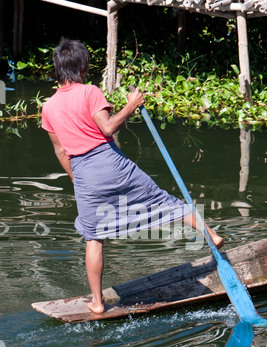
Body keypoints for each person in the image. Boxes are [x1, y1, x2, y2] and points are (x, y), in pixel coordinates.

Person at [42, 38, 223, 318]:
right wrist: (132, 104)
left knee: (93, 237)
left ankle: (98, 303)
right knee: (165, 202)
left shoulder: (48, 107)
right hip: (112, 164)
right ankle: (211, 234)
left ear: (57, 69)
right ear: (83, 67)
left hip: (84, 173)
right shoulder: (89, 92)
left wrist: (75, 178)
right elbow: (108, 128)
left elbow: (60, 151)